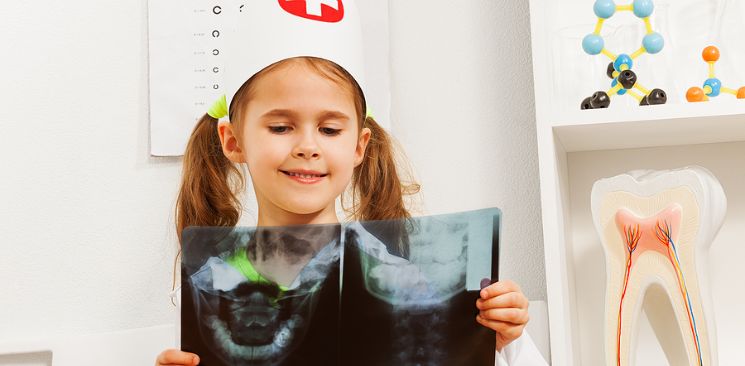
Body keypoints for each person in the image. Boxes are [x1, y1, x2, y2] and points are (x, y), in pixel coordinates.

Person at [155, 56, 544, 366]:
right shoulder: (201, 297)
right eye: (280, 127)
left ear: (359, 146)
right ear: (233, 141)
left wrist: (504, 341)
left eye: (329, 130)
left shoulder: (411, 282)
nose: (308, 146)